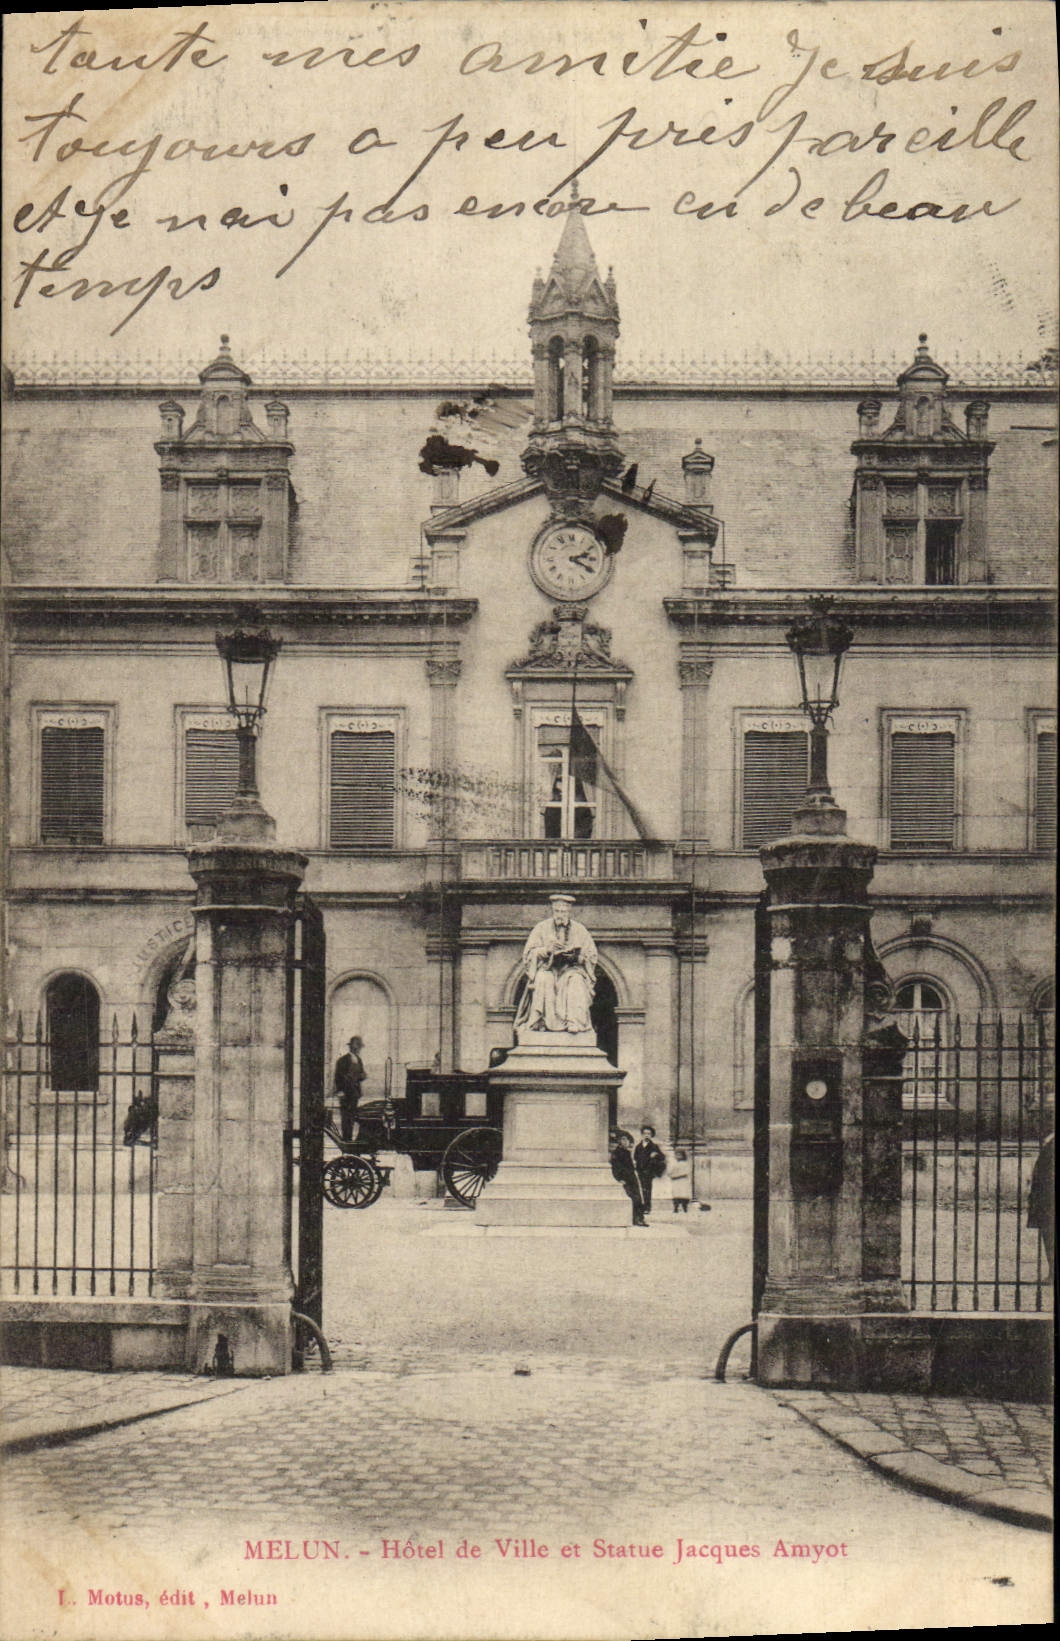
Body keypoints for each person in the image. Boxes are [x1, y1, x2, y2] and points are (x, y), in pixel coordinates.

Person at [514, 894, 597, 1037]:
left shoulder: (580, 930)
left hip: (572, 970)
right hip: (548, 968)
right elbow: (529, 955)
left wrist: (577, 956)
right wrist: (546, 950)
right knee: (542, 978)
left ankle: (574, 1022)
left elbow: (592, 956)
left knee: (576, 981)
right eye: (557, 911)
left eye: (563, 912)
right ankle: (540, 1021)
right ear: (553, 911)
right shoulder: (541, 928)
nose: (560, 915)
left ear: (569, 912)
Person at [1027, 1132, 1054, 1282]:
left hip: (1048, 1198)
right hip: (1044, 1198)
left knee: (1049, 1234)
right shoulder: (1049, 1141)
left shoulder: (1051, 1143)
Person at [333, 1036, 366, 1142]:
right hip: (345, 1093)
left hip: (354, 1093)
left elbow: (361, 1075)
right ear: (351, 1047)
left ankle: (350, 1139)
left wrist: (362, 1076)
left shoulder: (358, 1060)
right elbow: (338, 1077)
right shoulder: (342, 1060)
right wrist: (340, 1091)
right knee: (346, 1117)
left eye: (359, 1046)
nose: (358, 1048)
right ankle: (346, 1139)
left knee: (352, 1117)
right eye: (356, 1046)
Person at [610, 1133, 647, 1226]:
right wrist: (619, 1179)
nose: (625, 1142)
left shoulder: (627, 1152)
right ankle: (636, 1219)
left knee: (638, 1198)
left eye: (627, 1140)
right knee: (634, 1198)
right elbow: (616, 1167)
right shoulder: (616, 1153)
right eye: (623, 1140)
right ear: (619, 1141)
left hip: (632, 1178)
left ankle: (639, 1218)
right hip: (625, 1179)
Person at [633, 1124, 666, 1216]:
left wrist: (656, 1155)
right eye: (645, 1133)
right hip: (640, 1170)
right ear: (642, 1135)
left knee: (647, 1189)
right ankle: (642, 1206)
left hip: (649, 1171)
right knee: (641, 1189)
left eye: (649, 1133)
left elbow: (662, 1157)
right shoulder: (638, 1146)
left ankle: (647, 1207)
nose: (646, 1135)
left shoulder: (654, 1146)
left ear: (651, 1135)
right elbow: (635, 1157)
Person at [669, 1147, 691, 1213]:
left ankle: (685, 1208)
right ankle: (676, 1208)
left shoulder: (685, 1164)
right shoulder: (674, 1164)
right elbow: (670, 1172)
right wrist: (672, 1176)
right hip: (676, 1182)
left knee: (683, 1194)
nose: (678, 1156)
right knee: (676, 1195)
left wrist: (676, 1176)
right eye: (676, 1155)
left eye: (679, 1155)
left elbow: (686, 1172)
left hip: (683, 1181)